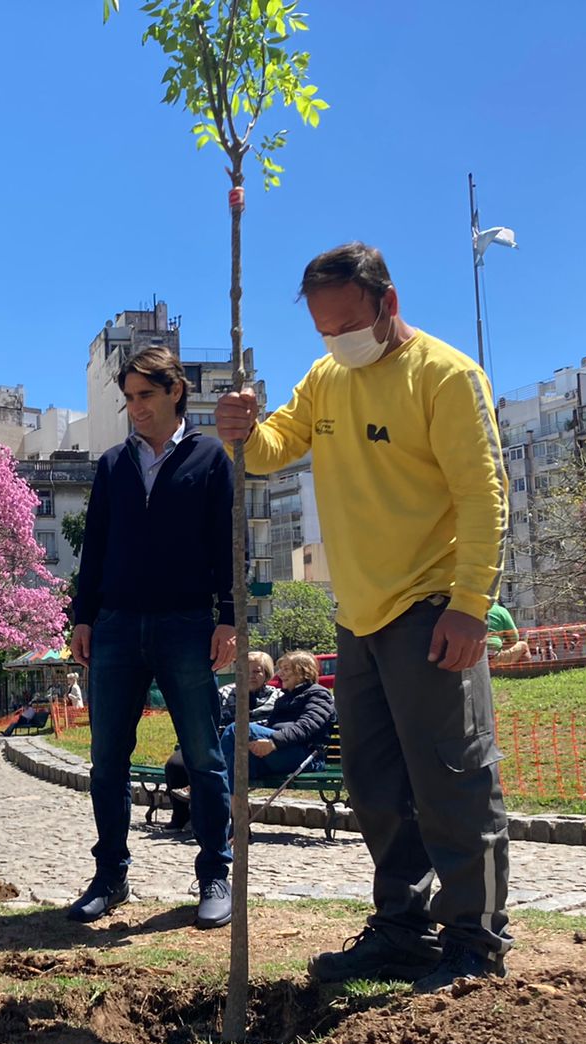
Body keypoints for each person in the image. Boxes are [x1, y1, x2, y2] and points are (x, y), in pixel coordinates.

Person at [215, 241, 511, 993]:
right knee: (377, 787)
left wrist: (471, 607)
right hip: (359, 617)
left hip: (432, 606)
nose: (336, 341)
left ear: (389, 302)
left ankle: (474, 939)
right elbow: (275, 447)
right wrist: (241, 429)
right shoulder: (327, 377)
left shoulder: (445, 377)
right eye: (322, 330)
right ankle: (401, 930)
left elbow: (484, 497)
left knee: (452, 781)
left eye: (347, 324)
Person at [70, 344, 237, 930]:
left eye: (145, 395)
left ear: (175, 393)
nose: (134, 407)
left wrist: (229, 618)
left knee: (204, 755)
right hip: (115, 625)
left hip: (187, 623)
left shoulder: (211, 457)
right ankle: (110, 875)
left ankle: (216, 872)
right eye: (128, 398)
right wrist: (82, 616)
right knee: (106, 759)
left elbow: (225, 546)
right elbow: (94, 547)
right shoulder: (113, 463)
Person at [160, 651, 281, 829]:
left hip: (252, 749)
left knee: (227, 763)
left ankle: (223, 821)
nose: (251, 676)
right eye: (245, 671)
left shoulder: (277, 697)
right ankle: (181, 815)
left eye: (257, 671)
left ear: (267, 674)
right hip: (215, 742)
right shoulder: (225, 693)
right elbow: (209, 720)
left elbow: (274, 729)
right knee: (176, 763)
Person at [236, 651, 336, 789]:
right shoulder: (283, 699)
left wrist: (273, 742)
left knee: (238, 729)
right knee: (234, 763)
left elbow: (306, 727)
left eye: (286, 669)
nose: (280, 674)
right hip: (278, 752)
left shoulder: (319, 694)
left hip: (305, 756)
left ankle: (226, 806)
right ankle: (231, 807)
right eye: (280, 669)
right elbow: (270, 727)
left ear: (303, 671)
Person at [486, 601, 531, 666]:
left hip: (471, 656)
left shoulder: (469, 611)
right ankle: (526, 673)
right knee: (523, 645)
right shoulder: (500, 610)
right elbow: (514, 638)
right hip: (493, 656)